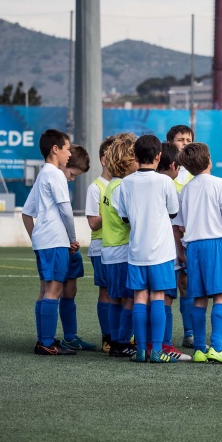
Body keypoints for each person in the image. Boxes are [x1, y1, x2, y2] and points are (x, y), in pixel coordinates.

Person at [116, 134, 181, 364]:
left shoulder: (126, 182)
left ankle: (141, 350)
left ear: (135, 155)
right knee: (158, 297)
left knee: (139, 298)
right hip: (161, 250)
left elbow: (124, 216)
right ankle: (156, 351)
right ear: (158, 156)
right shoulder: (165, 182)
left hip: (136, 250)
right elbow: (173, 211)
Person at [174, 142, 222, 364]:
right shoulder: (219, 184)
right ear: (208, 160)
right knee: (221, 295)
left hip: (194, 247)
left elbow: (179, 225)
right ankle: (217, 347)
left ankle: (200, 349)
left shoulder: (186, 189)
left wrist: (180, 250)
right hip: (215, 244)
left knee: (199, 298)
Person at [21, 129, 79, 356]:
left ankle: (44, 339)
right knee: (54, 291)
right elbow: (66, 209)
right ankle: (46, 342)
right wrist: (72, 239)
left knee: (45, 291)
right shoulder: (55, 174)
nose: (69, 154)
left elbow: (26, 213)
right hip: (55, 241)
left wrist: (36, 237)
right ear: (55, 149)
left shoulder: (43, 174)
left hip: (44, 241)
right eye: (67, 149)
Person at [101, 133, 139, 358]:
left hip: (110, 248)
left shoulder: (111, 185)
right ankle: (122, 340)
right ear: (126, 161)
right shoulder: (121, 187)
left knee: (116, 297)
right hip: (122, 249)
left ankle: (116, 341)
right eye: (135, 157)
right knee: (130, 298)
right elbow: (127, 219)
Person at [156, 142, 192, 361]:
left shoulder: (133, 182)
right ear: (171, 165)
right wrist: (180, 251)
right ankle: (165, 345)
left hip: (143, 251)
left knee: (148, 297)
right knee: (166, 297)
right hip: (165, 252)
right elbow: (175, 222)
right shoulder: (169, 185)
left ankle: (146, 344)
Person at [166, 124, 196, 348]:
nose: (185, 143)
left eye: (188, 139)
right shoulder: (165, 173)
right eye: (180, 139)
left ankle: (189, 332)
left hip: (187, 239)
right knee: (165, 289)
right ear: (170, 143)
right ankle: (162, 337)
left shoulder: (197, 173)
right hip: (165, 239)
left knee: (186, 286)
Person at [85, 136, 115, 352]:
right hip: (102, 247)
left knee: (122, 292)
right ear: (104, 159)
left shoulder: (123, 184)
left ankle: (122, 335)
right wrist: (112, 213)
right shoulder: (96, 187)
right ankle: (108, 337)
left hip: (121, 246)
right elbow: (93, 224)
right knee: (106, 292)